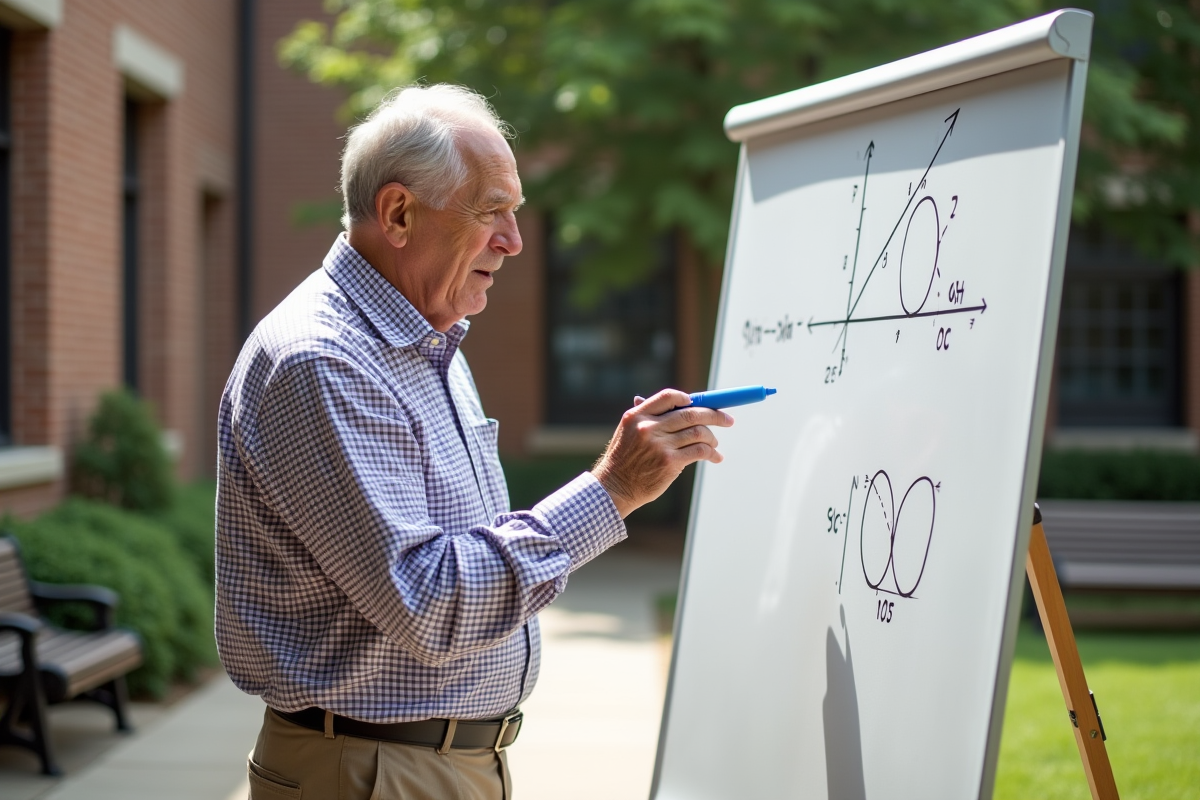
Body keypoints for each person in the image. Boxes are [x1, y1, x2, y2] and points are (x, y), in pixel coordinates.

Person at [215, 84, 733, 800]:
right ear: (399, 213)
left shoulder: (427, 341)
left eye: (514, 214)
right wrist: (611, 490)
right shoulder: (324, 362)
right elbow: (431, 605)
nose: (515, 241)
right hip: (372, 772)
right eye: (492, 211)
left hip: (420, 765)